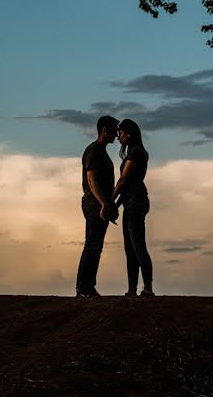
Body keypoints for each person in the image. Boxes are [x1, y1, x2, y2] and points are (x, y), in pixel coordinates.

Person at [75, 115, 119, 297]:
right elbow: (91, 180)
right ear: (105, 130)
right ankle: (83, 287)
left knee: (96, 245)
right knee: (92, 244)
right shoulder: (93, 150)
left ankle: (88, 287)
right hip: (94, 204)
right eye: (114, 130)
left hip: (100, 204)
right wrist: (104, 203)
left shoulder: (101, 151)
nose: (116, 135)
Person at [112, 118, 154, 297]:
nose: (118, 136)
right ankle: (133, 288)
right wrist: (115, 204)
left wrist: (109, 203)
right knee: (131, 246)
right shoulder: (136, 152)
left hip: (135, 201)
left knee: (137, 245)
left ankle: (147, 288)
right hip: (132, 200)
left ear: (128, 134)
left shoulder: (136, 153)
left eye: (120, 132)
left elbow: (123, 181)